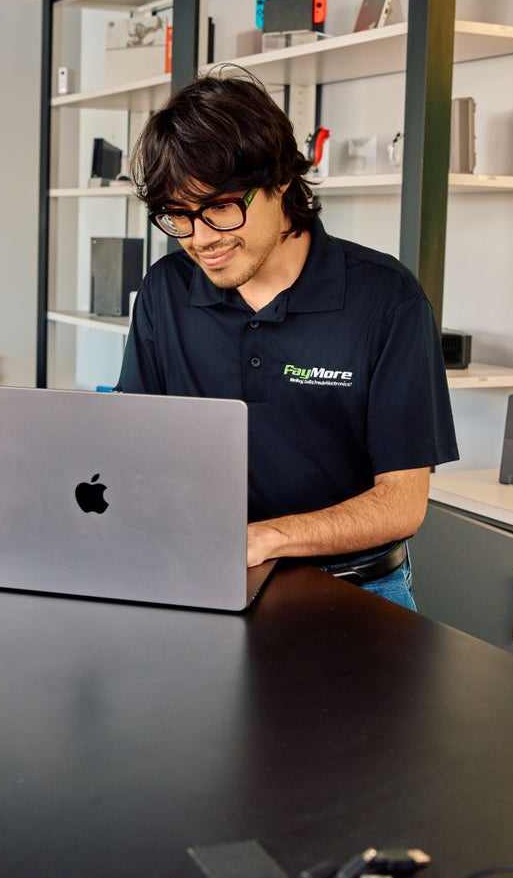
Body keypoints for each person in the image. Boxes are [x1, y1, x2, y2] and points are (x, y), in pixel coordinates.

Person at [116, 73, 458, 609]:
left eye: (221, 207)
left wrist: (267, 537)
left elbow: (402, 504)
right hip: (201, 575)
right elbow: (132, 447)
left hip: (356, 591)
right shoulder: (166, 290)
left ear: (279, 181)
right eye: (178, 217)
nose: (201, 239)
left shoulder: (386, 300)